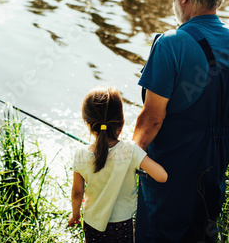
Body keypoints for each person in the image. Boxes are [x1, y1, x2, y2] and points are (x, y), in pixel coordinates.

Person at [133, 0, 229, 242]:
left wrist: (129, 156)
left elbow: (152, 119)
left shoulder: (170, 44)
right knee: (203, 231)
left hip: (171, 167)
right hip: (215, 164)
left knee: (159, 234)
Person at [68, 86, 168, 242]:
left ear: (87, 123)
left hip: (91, 223)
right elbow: (162, 176)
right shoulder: (130, 151)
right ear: (121, 122)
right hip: (121, 225)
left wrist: (75, 214)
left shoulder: (80, 155)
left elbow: (77, 192)